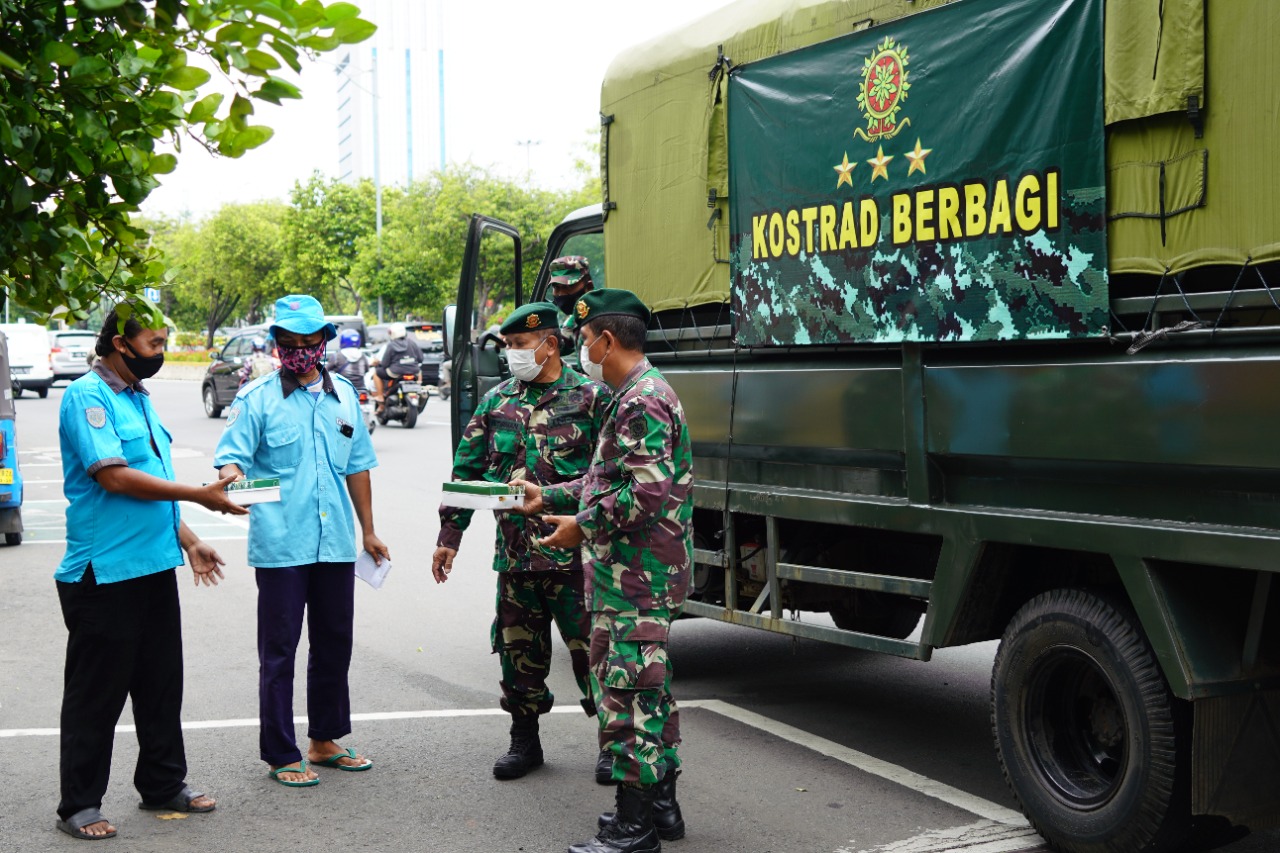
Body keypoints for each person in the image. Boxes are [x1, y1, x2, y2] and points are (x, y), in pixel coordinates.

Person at [54, 303, 249, 841]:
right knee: (97, 694)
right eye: (154, 344)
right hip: (103, 572)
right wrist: (202, 497)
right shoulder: (87, 397)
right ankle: (79, 803)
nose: (160, 353)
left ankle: (163, 784)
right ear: (120, 343)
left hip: (154, 565)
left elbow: (153, 485)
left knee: (161, 686)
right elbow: (115, 479)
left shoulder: (138, 398)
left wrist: (188, 540)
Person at [516, 289, 693, 853]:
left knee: (628, 697)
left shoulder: (642, 400)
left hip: (634, 577)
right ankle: (661, 809)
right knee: (650, 691)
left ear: (607, 340)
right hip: (638, 573)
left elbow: (645, 494)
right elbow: (608, 481)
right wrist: (549, 496)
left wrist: (580, 527)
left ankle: (633, 826)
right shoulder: (632, 395)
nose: (582, 348)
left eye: (586, 339)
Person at [213, 294, 388, 787]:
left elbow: (357, 467)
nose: (299, 352)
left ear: (324, 342)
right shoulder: (256, 399)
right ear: (276, 345)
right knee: (280, 650)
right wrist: (232, 479)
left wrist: (369, 530)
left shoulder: (347, 398)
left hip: (335, 543)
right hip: (281, 544)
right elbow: (230, 458)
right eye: (288, 343)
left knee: (334, 643)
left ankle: (324, 740)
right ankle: (281, 752)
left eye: (308, 342)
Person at [432, 302, 608, 780]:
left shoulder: (593, 398)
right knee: (517, 655)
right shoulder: (497, 402)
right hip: (516, 560)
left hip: (577, 559)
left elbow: (607, 477)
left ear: (550, 345)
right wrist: (451, 533)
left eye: (519, 345)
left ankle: (613, 746)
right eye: (507, 346)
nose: (511, 354)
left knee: (595, 654)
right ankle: (524, 741)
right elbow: (466, 470)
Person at [370, 322, 422, 410]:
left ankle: (380, 396)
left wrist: (379, 364)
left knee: (377, 373)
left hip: (395, 373)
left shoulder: (391, 345)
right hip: (414, 371)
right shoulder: (412, 343)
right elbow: (420, 358)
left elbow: (385, 364)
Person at [548, 256, 595, 328]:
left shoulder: (602, 320)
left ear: (589, 287)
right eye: (556, 287)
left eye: (567, 287)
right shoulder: (567, 325)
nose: (561, 294)